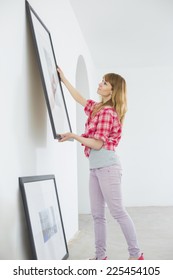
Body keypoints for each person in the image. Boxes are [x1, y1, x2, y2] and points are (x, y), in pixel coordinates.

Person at [57, 67, 144, 260]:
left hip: (108, 168)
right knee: (97, 215)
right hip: (95, 168)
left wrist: (73, 136)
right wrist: (63, 79)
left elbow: (97, 143)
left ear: (112, 91)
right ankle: (100, 257)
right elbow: (80, 99)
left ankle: (136, 255)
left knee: (117, 212)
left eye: (104, 83)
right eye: (101, 81)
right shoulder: (97, 108)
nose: (100, 84)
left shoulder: (108, 113)